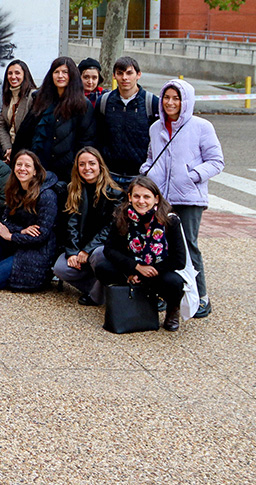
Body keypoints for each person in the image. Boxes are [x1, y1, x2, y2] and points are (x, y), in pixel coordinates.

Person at [141, 79, 223, 319]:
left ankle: (202, 297)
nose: (170, 103)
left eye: (176, 98)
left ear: (185, 101)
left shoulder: (201, 126)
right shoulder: (156, 127)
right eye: (166, 97)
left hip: (188, 198)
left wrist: (192, 176)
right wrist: (147, 171)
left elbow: (216, 161)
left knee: (188, 246)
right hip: (161, 198)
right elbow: (150, 156)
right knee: (160, 246)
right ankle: (169, 295)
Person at [94, 176, 189, 331]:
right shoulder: (122, 216)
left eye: (147, 197)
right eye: (137, 196)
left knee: (175, 282)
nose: (141, 201)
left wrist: (149, 270)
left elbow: (179, 260)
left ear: (156, 199)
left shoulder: (170, 220)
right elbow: (110, 249)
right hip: (133, 268)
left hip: (158, 270)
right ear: (130, 197)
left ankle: (172, 310)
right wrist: (134, 268)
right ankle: (128, 299)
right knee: (103, 268)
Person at [0, 150, 58, 291]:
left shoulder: (47, 195)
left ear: (35, 171)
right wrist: (20, 230)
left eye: (27, 166)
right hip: (18, 241)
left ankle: (22, 272)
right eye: (19, 165)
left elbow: (41, 236)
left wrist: (11, 236)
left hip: (36, 250)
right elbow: (5, 220)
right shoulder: (14, 188)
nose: (22, 169)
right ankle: (2, 263)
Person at [54, 147, 121, 305]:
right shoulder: (73, 190)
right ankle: (102, 289)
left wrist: (87, 250)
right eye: (82, 164)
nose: (87, 168)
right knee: (60, 268)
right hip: (81, 249)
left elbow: (111, 228)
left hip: (100, 249)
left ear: (100, 166)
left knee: (98, 255)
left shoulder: (115, 194)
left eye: (91, 163)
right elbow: (71, 225)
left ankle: (96, 297)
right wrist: (72, 251)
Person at [29, 56, 96, 181]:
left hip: (68, 171)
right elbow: (29, 132)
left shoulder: (82, 104)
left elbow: (86, 139)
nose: (60, 76)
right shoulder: (41, 100)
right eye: (56, 72)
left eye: (65, 72)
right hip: (41, 167)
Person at [96, 56, 161, 185]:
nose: (125, 78)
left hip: (140, 177)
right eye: (120, 73)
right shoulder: (104, 102)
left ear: (138, 75)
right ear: (114, 76)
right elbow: (97, 136)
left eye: (129, 73)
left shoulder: (151, 102)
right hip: (109, 175)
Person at [0, 59, 37, 162]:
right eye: (10, 73)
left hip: (28, 153)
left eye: (17, 73)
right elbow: (1, 125)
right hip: (11, 152)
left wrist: (19, 151)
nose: (13, 77)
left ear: (25, 75)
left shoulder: (32, 97)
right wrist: (8, 148)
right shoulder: (8, 97)